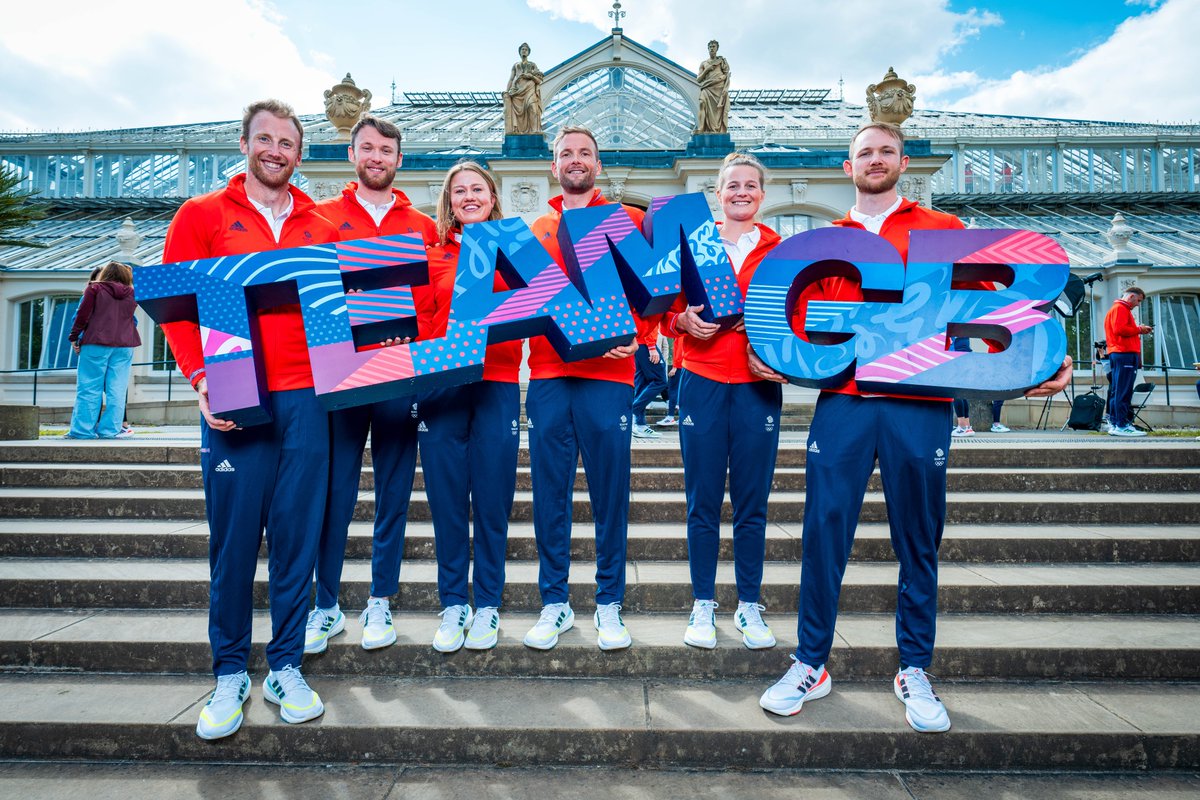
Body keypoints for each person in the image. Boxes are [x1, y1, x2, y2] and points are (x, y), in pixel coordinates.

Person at [756, 121, 1071, 732]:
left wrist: (1040, 360)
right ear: (848, 167)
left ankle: (915, 667)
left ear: (903, 161)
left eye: (886, 151)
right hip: (844, 400)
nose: (875, 160)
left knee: (918, 536)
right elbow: (787, 312)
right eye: (864, 153)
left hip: (920, 401)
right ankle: (811, 663)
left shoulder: (943, 232)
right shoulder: (827, 240)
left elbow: (1002, 306)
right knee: (823, 531)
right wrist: (765, 350)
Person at [160, 99, 340, 740]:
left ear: (299, 154)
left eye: (287, 143)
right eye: (264, 139)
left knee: (298, 538)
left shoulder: (320, 224)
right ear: (244, 144)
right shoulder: (202, 215)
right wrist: (203, 379)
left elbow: (344, 311)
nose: (276, 151)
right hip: (236, 391)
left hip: (310, 397)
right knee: (234, 542)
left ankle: (286, 664)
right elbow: (179, 310)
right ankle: (230, 669)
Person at [305, 116, 438, 655]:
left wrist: (420, 357)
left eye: (386, 149)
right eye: (367, 148)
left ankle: (380, 597)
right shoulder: (321, 218)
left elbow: (430, 304)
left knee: (393, 493)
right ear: (352, 153)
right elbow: (310, 293)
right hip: (340, 374)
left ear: (398, 158)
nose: (376, 157)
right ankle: (327, 604)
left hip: (400, 375)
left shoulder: (423, 226)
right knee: (333, 493)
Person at [522, 125, 653, 652]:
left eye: (585, 153)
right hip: (551, 378)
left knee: (609, 496)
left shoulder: (629, 222)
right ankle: (554, 603)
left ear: (598, 165)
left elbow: (658, 293)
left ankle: (608, 604)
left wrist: (638, 337)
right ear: (554, 166)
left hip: (609, 380)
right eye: (565, 154)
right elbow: (519, 306)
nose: (575, 161)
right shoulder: (535, 228)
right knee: (549, 496)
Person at [664, 152, 782, 650]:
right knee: (703, 500)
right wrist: (680, 323)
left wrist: (783, 357)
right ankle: (704, 602)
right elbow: (663, 304)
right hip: (703, 380)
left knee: (752, 503)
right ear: (717, 191)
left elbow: (794, 313)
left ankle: (749, 604)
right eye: (732, 184)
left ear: (761, 194)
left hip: (758, 388)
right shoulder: (694, 241)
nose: (741, 192)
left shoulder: (780, 249)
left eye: (750, 185)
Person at [411, 160, 520, 652]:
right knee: (448, 502)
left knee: (493, 502)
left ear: (493, 196)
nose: (469, 196)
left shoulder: (517, 252)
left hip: (496, 382)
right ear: (449, 201)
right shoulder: (430, 255)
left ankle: (488, 605)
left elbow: (538, 306)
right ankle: (454, 602)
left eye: (478, 188)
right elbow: (420, 321)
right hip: (443, 388)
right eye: (460, 191)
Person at [66, 261, 140, 440]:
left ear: (105, 273)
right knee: (118, 389)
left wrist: (74, 336)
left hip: (96, 342)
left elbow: (83, 315)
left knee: (89, 387)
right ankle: (109, 431)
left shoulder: (94, 289)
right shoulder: (133, 293)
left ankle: (83, 431)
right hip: (124, 346)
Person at [1104, 287, 1152, 438]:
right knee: (1123, 390)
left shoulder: (1116, 308)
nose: (1137, 304)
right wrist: (1139, 329)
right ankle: (1122, 425)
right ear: (1131, 296)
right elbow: (1120, 329)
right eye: (1138, 300)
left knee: (1117, 389)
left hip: (1118, 353)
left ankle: (1115, 423)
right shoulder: (1121, 308)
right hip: (1123, 353)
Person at [631, 331, 668, 439]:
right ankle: (633, 410)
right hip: (646, 343)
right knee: (660, 381)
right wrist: (651, 347)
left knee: (641, 383)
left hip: (639, 344)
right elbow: (647, 323)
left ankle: (640, 425)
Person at [504, 43, 544, 136]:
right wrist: (507, 90)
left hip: (530, 89)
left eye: (526, 49)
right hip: (517, 91)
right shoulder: (516, 65)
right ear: (519, 52)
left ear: (528, 52)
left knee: (533, 108)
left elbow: (539, 80)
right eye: (522, 49)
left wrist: (530, 76)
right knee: (519, 114)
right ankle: (519, 131)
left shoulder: (532, 65)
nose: (524, 51)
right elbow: (511, 79)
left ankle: (534, 131)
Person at [696, 40, 731, 134]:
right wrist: (706, 70)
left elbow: (726, 74)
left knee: (717, 111)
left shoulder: (721, 61)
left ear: (717, 48)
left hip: (718, 88)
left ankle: (716, 129)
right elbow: (698, 79)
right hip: (707, 87)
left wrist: (721, 79)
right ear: (708, 49)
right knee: (702, 103)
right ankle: (701, 127)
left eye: (714, 46)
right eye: (710, 47)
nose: (712, 48)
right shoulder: (704, 63)